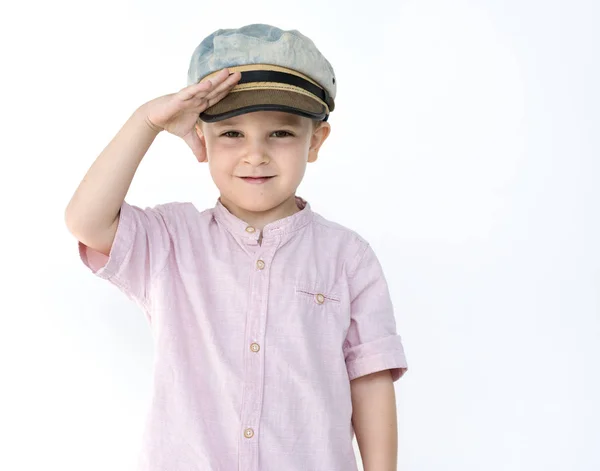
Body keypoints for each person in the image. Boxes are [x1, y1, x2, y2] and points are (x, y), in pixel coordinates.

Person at [65, 23, 409, 471]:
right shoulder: (171, 240)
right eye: (232, 133)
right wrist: (146, 121)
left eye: (281, 134)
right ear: (201, 139)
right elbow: (86, 221)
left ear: (315, 141)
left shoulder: (348, 256)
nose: (256, 154)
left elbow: (370, 379)